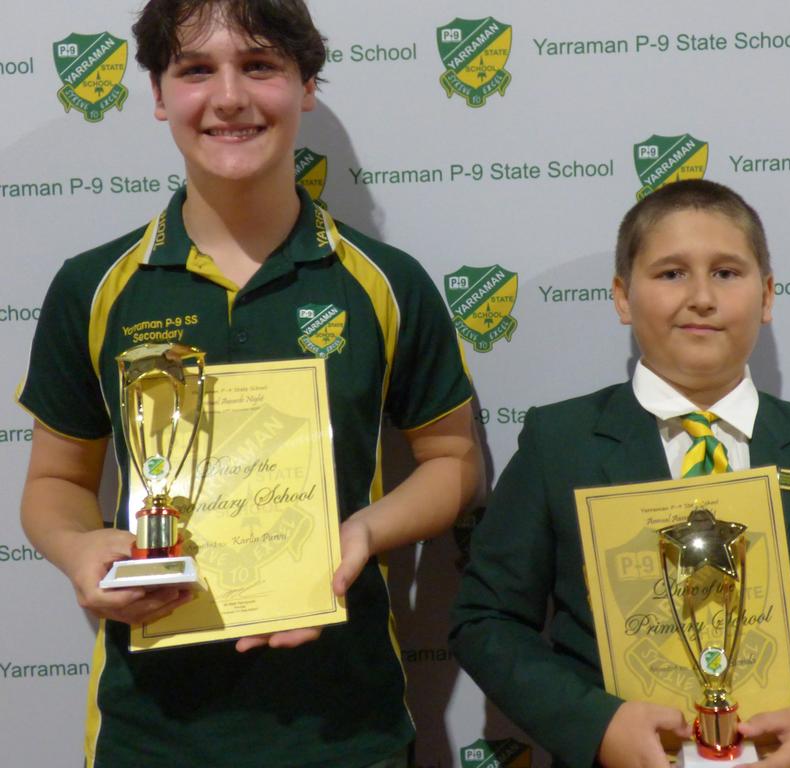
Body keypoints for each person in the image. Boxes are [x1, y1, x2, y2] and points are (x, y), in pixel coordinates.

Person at [18, 1, 481, 766]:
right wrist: (77, 548)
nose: (229, 96)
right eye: (197, 69)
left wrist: (361, 532)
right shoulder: (93, 287)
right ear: (160, 95)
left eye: (259, 65)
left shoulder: (385, 283)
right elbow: (54, 480)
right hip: (150, 734)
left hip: (347, 730)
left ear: (305, 85)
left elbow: (453, 462)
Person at [449, 179, 790, 768]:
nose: (701, 297)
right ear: (623, 296)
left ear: (767, 296)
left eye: (728, 273)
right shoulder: (561, 443)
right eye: (671, 273)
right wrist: (596, 726)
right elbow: (487, 620)